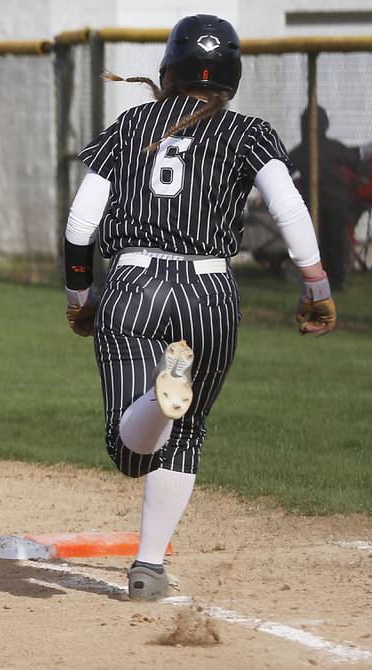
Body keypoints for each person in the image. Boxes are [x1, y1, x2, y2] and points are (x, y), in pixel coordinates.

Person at [63, 15, 336, 601]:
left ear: (169, 68)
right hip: (211, 293)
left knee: (129, 448)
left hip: (134, 282)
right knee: (188, 435)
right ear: (231, 76)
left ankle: (160, 398)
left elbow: (82, 221)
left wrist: (80, 297)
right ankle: (148, 568)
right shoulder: (248, 131)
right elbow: (287, 206)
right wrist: (315, 284)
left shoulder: (132, 123)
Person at [289, 106, 363, 290]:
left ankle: (326, 279)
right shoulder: (330, 148)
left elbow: (284, 170)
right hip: (327, 201)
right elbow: (357, 164)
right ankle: (333, 280)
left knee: (322, 241)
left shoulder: (304, 149)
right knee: (333, 240)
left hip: (323, 202)